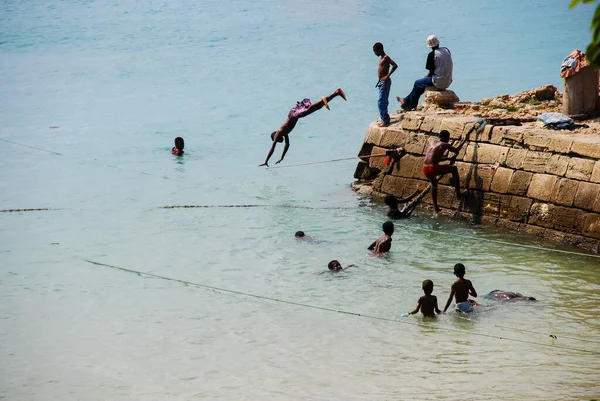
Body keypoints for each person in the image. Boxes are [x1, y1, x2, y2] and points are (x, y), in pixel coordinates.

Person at [259, 88, 347, 167]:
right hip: (295, 116)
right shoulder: (284, 133)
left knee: (308, 110)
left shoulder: (279, 133)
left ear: (275, 136)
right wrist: (282, 157)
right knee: (316, 108)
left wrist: (266, 161)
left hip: (293, 116)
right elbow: (287, 145)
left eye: (276, 140)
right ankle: (336, 93)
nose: (278, 142)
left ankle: (323, 99)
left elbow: (272, 148)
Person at [397, 35, 453, 111]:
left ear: (430, 46)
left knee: (418, 83)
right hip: (448, 80)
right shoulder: (446, 50)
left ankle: (411, 105)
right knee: (421, 85)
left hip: (439, 81)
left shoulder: (432, 55)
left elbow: (431, 72)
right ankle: (406, 101)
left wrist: (426, 77)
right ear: (438, 43)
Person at [422, 129, 467, 212]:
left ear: (439, 137)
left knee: (434, 184)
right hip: (433, 167)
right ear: (447, 138)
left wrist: (449, 158)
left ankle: (435, 208)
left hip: (425, 167)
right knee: (454, 169)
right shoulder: (445, 144)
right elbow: (456, 150)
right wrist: (463, 141)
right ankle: (458, 194)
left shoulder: (431, 142)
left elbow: (434, 157)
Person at [373, 42, 398, 127]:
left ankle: (386, 121)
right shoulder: (381, 58)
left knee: (381, 102)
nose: (374, 53)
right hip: (381, 83)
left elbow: (395, 65)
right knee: (383, 101)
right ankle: (384, 119)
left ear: (380, 49)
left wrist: (388, 75)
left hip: (385, 82)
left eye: (375, 51)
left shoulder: (385, 57)